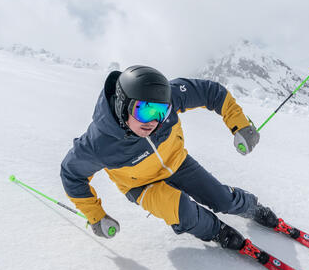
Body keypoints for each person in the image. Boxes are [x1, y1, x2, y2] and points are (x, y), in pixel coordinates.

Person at [60, 65, 279, 250]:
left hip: (177, 162)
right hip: (142, 186)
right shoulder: (99, 143)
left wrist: (240, 124)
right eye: (145, 111)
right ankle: (217, 231)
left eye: (160, 112)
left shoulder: (170, 96)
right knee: (184, 212)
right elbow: (72, 175)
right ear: (122, 104)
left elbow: (212, 92)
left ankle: (252, 207)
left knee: (222, 199)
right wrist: (96, 215)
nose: (153, 121)